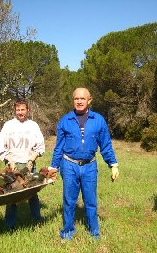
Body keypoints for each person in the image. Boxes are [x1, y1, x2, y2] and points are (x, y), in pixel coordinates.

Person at [49, 87, 119, 241]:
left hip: (89, 166)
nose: (79, 101)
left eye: (82, 98)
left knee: (91, 200)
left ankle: (94, 232)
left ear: (89, 100)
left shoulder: (98, 120)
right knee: (69, 200)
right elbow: (58, 147)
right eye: (76, 98)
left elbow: (105, 145)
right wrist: (53, 168)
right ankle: (67, 231)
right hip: (69, 165)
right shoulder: (65, 120)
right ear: (73, 100)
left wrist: (113, 164)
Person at [0, 99, 45, 229]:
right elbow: (1, 147)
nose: (20, 112)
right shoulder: (8, 125)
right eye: (18, 110)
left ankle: (37, 220)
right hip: (13, 165)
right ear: (15, 111)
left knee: (32, 193)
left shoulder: (33, 125)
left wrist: (32, 159)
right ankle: (9, 224)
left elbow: (40, 146)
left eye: (22, 109)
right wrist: (10, 161)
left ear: (27, 110)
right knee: (11, 195)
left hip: (29, 164)